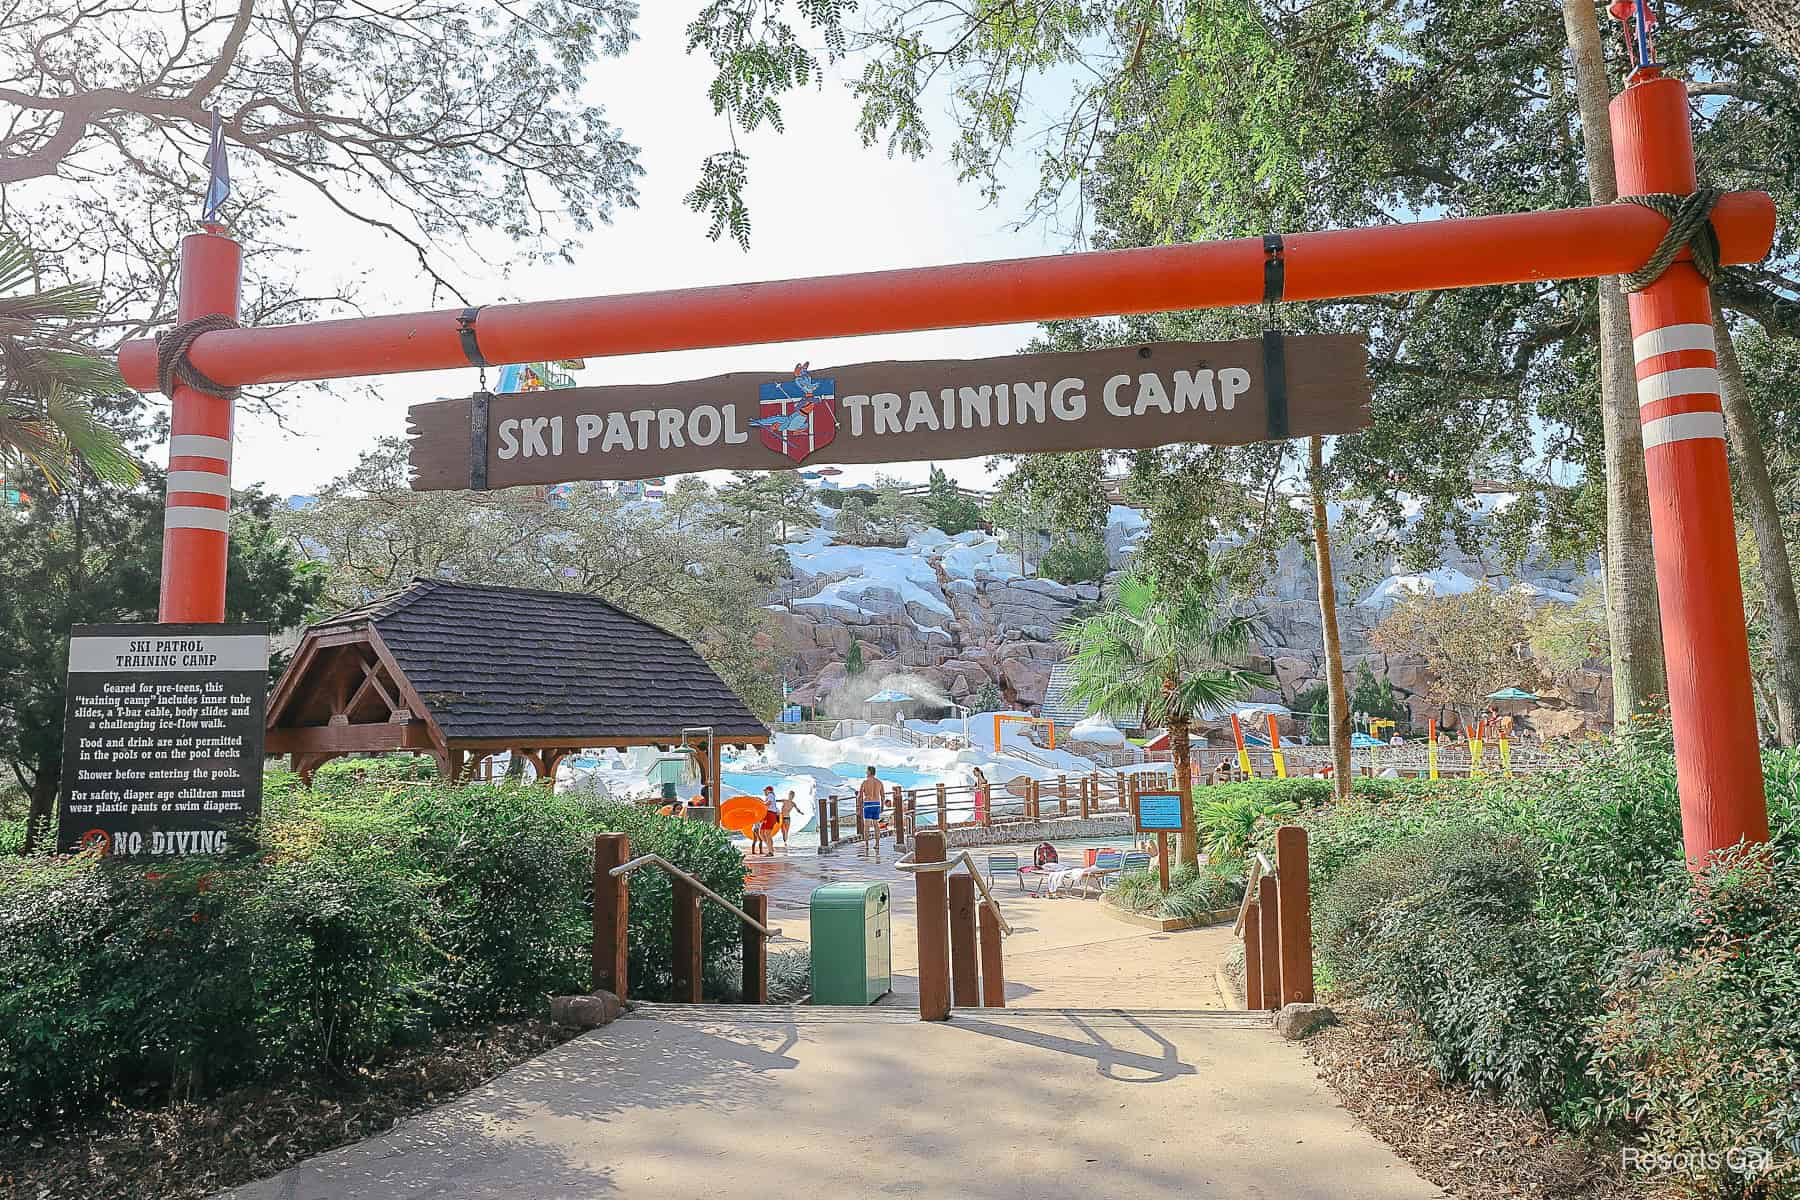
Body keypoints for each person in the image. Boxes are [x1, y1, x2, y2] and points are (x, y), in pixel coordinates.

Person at [857, 766, 886, 860]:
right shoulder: (879, 782)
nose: (866, 772)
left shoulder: (865, 782)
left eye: (867, 771)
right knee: (876, 824)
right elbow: (883, 796)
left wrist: (859, 807)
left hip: (868, 804)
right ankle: (877, 844)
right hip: (877, 804)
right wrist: (882, 807)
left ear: (869, 772)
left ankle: (866, 845)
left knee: (867, 825)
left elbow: (860, 796)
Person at [758, 785, 781, 855]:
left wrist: (761, 804)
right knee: (761, 833)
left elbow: (769, 803)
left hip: (770, 815)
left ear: (768, 790)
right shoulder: (769, 796)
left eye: (765, 791)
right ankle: (770, 847)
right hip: (768, 815)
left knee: (767, 834)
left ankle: (770, 851)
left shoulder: (770, 795)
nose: (764, 792)